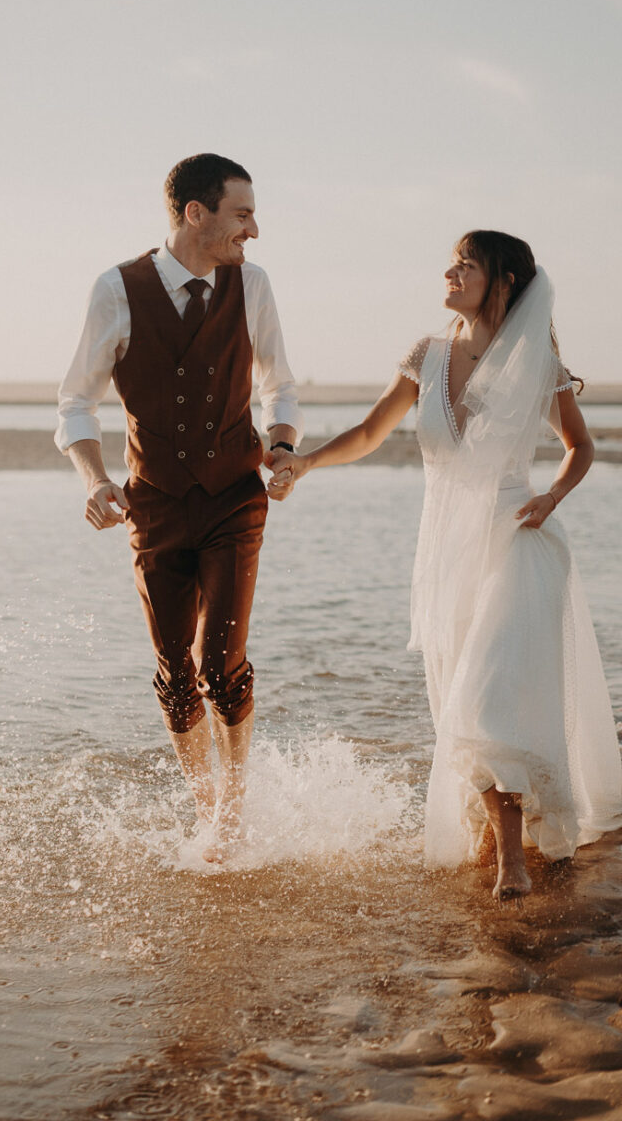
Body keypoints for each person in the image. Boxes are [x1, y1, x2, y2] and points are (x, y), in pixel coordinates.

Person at [270, 231, 622, 901]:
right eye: (453, 261)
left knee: (491, 697)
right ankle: (498, 832)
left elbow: (580, 446)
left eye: (466, 264)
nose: (450, 271)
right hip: (447, 555)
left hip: (520, 542)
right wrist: (306, 462)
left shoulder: (535, 362)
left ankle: (510, 861)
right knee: (462, 701)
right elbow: (372, 432)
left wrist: (551, 496)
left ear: (504, 282)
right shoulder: (425, 356)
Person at [55, 153, 301, 861]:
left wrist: (281, 447)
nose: (254, 230)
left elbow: (279, 386)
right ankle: (205, 810)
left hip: (234, 496)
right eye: (242, 214)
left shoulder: (251, 286)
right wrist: (95, 481)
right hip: (155, 505)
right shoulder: (117, 289)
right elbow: (76, 400)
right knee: (174, 673)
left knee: (223, 664)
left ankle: (233, 811)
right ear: (197, 214)